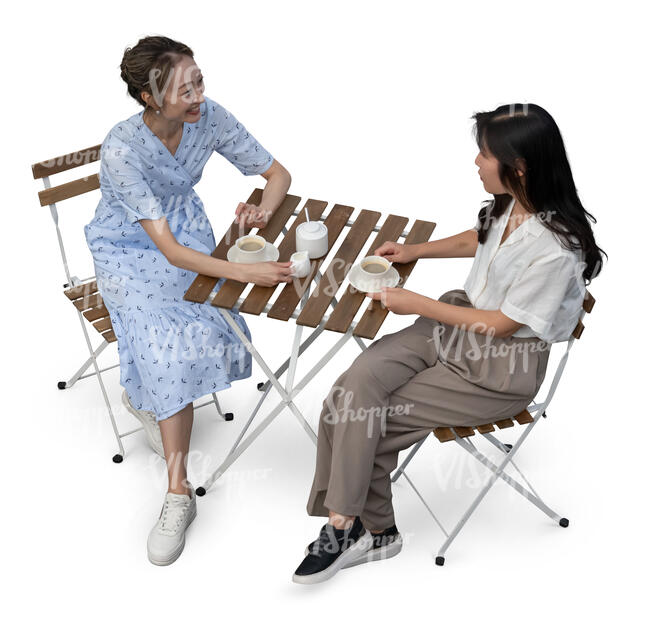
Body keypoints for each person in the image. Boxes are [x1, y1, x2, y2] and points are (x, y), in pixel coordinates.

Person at [292, 102, 607, 584]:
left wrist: (415, 302)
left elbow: (502, 325)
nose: (476, 163)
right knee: (348, 392)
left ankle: (363, 529)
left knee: (363, 420)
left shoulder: (556, 248)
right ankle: (355, 522)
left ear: (517, 166)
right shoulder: (512, 201)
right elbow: (479, 237)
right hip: (456, 323)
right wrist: (416, 249)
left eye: (484, 155)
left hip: (499, 366)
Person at [84, 35, 294, 566]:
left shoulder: (208, 116)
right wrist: (251, 270)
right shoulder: (122, 148)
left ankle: (150, 400)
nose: (199, 94)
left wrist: (261, 216)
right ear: (149, 98)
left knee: (205, 323)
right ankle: (178, 492)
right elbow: (170, 254)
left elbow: (277, 175)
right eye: (185, 88)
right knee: (165, 340)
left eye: (199, 79)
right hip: (130, 248)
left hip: (185, 232)